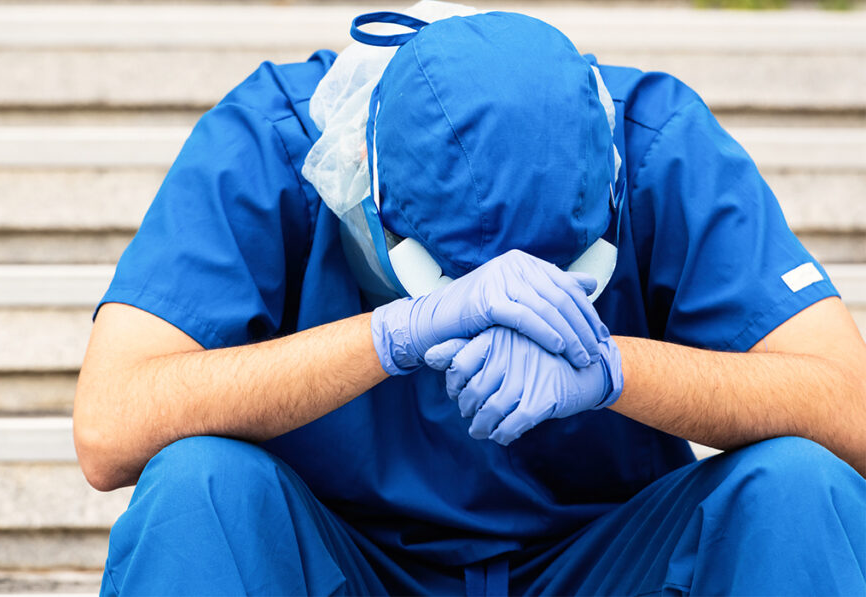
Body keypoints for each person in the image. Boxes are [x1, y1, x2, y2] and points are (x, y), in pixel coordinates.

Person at [73, 3, 866, 595]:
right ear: (363, 178)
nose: (504, 314)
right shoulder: (277, 142)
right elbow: (112, 424)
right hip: (343, 561)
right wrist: (392, 334)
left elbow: (850, 408)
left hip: (600, 560)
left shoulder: (657, 142)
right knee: (197, 486)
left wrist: (612, 368)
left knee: (800, 485)